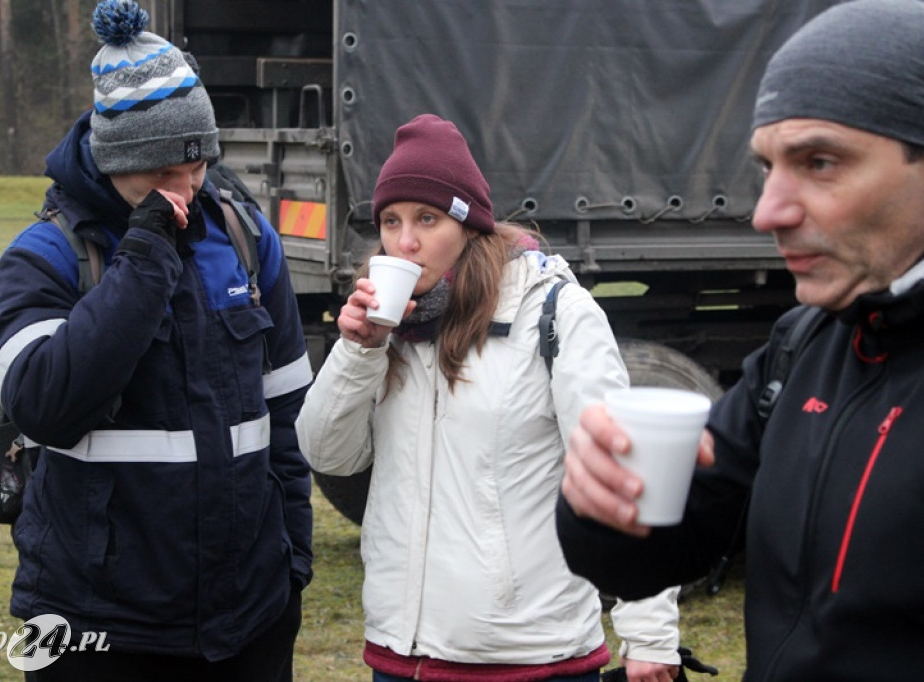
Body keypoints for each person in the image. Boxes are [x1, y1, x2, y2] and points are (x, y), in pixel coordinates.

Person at [555, 1, 924, 680]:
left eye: (820, 162)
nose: (766, 212)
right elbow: (651, 560)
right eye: (767, 167)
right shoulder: (802, 346)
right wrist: (599, 504)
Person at [0, 1, 313, 679]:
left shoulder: (247, 238)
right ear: (113, 161)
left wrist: (292, 566)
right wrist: (144, 258)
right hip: (96, 625)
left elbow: (288, 418)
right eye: (160, 173)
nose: (184, 187)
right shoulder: (44, 256)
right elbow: (45, 404)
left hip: (248, 618)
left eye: (195, 166)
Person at [296, 114, 681, 682]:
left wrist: (649, 635)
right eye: (391, 221)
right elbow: (329, 456)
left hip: (530, 658)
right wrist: (359, 350)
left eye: (427, 219)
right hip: (401, 656)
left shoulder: (553, 314)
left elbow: (625, 473)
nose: (405, 242)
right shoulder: (387, 331)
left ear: (469, 223)